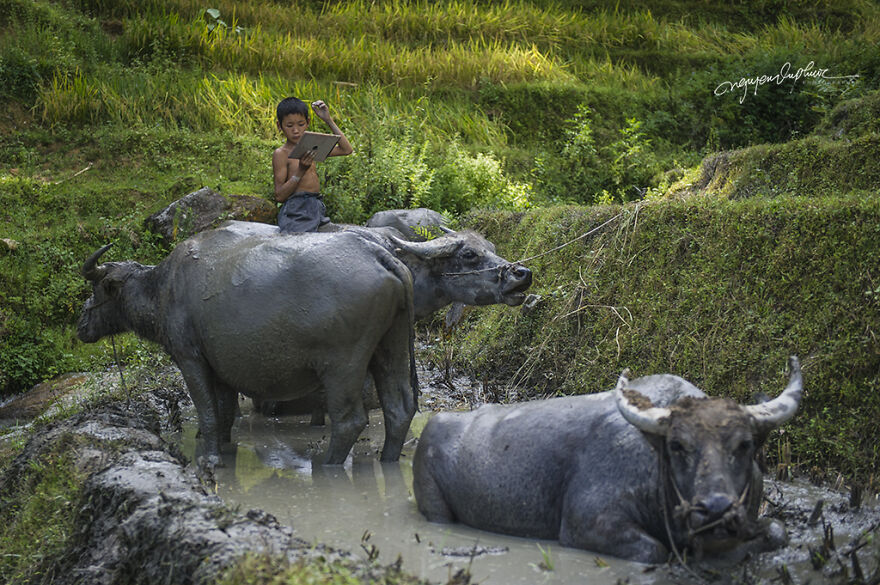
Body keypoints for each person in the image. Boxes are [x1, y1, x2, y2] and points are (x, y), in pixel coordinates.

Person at [272, 97, 353, 232]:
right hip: (296, 209)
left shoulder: (312, 146)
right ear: (279, 126)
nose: (296, 130)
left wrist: (328, 120)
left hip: (316, 206)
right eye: (289, 126)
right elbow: (280, 196)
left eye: (301, 124)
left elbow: (346, 149)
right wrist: (300, 171)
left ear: (308, 122)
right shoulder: (281, 154)